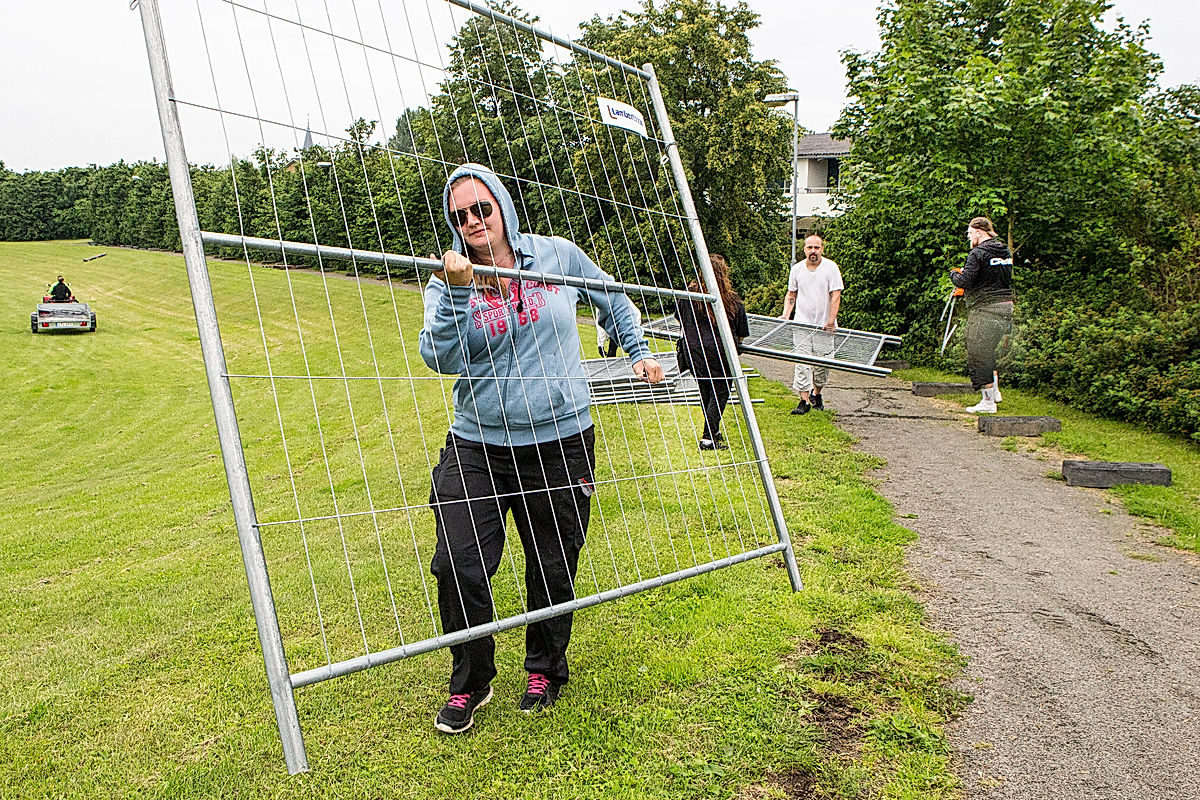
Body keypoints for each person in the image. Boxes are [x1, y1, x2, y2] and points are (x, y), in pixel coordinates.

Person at [419, 163, 662, 734]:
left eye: (483, 208)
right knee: (458, 562)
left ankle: (545, 668)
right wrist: (459, 292)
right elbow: (441, 358)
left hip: (562, 439)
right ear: (453, 226)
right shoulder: (445, 279)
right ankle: (471, 682)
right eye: (461, 216)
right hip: (477, 441)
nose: (475, 222)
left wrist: (637, 350)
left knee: (553, 561)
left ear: (503, 204)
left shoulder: (556, 256)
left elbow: (613, 298)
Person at [676, 254, 750, 450]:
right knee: (720, 392)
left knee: (706, 391)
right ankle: (708, 437)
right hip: (719, 351)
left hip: (693, 350)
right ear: (724, 273)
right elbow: (742, 331)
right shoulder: (730, 299)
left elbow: (679, 318)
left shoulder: (688, 296)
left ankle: (713, 431)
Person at [952, 216, 1014, 414]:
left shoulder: (977, 253)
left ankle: (987, 402)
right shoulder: (1003, 250)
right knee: (988, 350)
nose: (969, 237)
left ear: (979, 231)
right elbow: (992, 277)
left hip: (986, 308)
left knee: (977, 352)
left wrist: (954, 274)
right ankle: (995, 392)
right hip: (1006, 306)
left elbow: (965, 280)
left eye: (970, 233)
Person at [780, 234, 842, 414]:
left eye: (817, 248)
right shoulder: (797, 269)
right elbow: (791, 295)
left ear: (822, 249)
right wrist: (785, 315)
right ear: (804, 249)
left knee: (822, 365)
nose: (813, 251)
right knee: (802, 363)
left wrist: (831, 321)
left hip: (824, 325)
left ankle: (817, 393)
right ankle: (804, 401)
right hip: (802, 324)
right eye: (810, 248)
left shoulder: (831, 268)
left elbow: (835, 295)